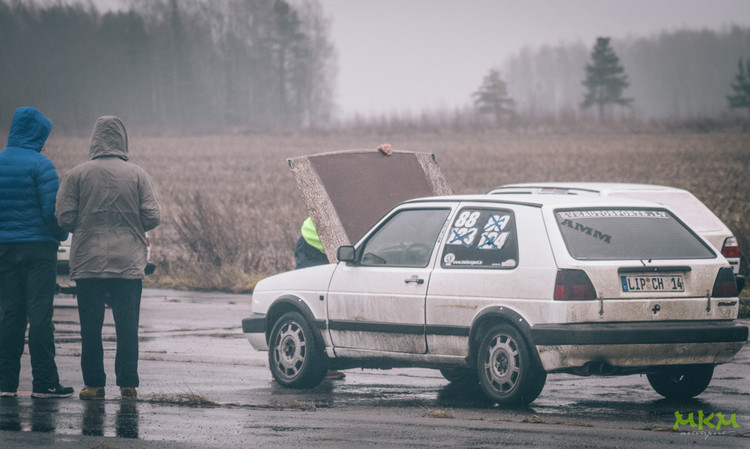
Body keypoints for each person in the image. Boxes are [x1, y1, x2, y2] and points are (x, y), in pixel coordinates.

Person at [56, 116, 161, 400]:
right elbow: (153, 216)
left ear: (94, 140)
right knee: (127, 327)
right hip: (127, 265)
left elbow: (64, 219)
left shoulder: (76, 175)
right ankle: (128, 385)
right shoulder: (138, 175)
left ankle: (94, 385)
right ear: (122, 140)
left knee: (91, 329)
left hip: (88, 263)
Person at [293, 143, 393, 380]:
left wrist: (385, 157)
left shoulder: (376, 194)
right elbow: (345, 164)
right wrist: (375, 154)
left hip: (343, 249)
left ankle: (327, 361)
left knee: (334, 302)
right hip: (314, 246)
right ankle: (313, 365)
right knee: (312, 306)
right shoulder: (350, 187)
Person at [0, 107, 73, 398]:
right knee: (40, 315)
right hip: (39, 249)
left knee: (10, 314)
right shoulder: (42, 165)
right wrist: (60, 235)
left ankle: (5, 383)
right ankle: (44, 382)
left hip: (5, 249)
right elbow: (52, 211)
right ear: (38, 134)